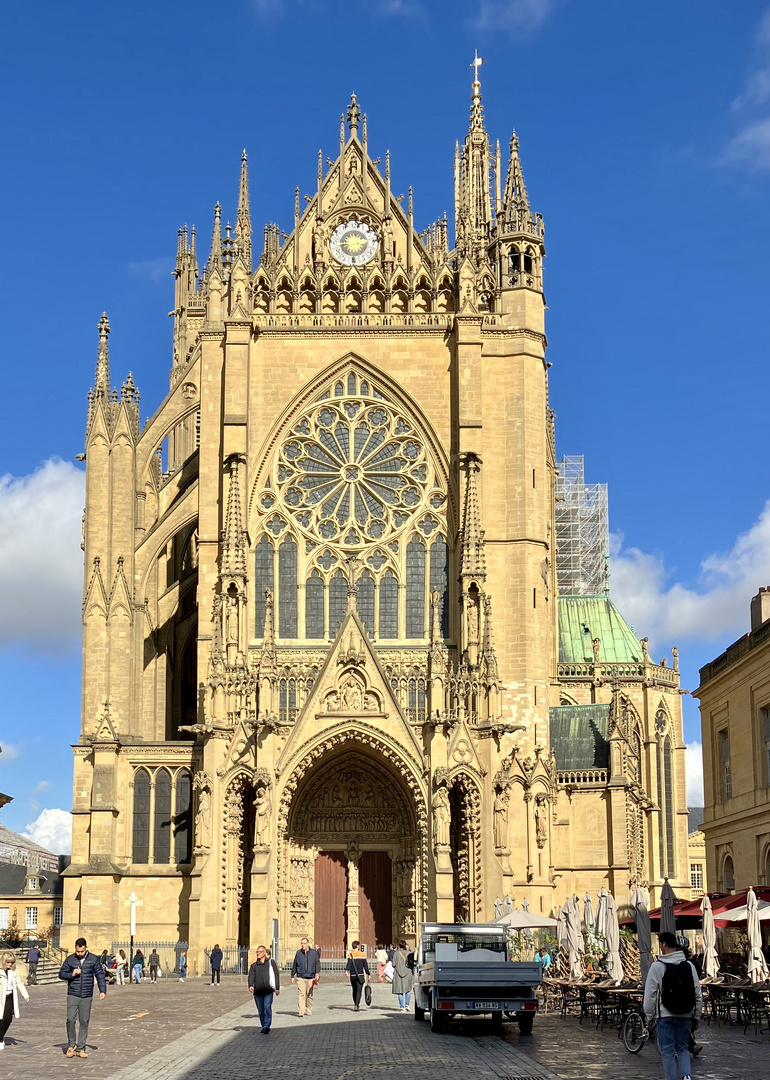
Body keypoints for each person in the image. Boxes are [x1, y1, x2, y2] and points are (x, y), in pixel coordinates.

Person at [643, 930, 703, 1080]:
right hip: (685, 1014)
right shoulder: (689, 966)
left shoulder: (657, 967)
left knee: (668, 1051)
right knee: (682, 1048)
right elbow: (697, 992)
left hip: (664, 1015)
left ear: (663, 945)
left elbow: (650, 995)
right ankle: (686, 1077)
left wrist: (649, 1016)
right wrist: (697, 1016)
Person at [58, 937, 107, 1060]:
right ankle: (71, 1045)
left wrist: (102, 990)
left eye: (82, 951)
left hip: (86, 995)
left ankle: (81, 1048)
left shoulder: (93, 959)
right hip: (73, 994)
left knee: (84, 1021)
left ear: (86, 948)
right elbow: (61, 974)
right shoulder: (70, 959)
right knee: (70, 1019)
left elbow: (100, 974)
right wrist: (71, 974)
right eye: (78, 951)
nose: (79, 953)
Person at [248, 944, 281, 1034]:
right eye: (257, 952)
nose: (258, 953)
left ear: (264, 953)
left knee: (267, 1007)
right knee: (261, 1010)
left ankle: (267, 1025)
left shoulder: (271, 963)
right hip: (258, 992)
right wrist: (250, 985)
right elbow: (251, 976)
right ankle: (263, 1025)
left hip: (268, 990)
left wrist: (277, 987)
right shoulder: (254, 966)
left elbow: (276, 974)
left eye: (260, 952)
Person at [0, 952, 29, 1049]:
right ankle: (0, 1040)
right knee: (0, 1019)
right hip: (0, 997)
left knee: (8, 1019)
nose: (10, 964)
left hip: (9, 997)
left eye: (11, 963)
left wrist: (25, 995)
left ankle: (1, 1036)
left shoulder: (13, 972)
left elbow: (19, 983)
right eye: (8, 962)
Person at [290, 937, 320, 1017]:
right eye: (302, 943)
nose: (303, 945)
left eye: (304, 943)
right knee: (301, 993)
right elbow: (295, 964)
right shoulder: (298, 953)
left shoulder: (313, 953)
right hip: (301, 976)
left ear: (308, 943)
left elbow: (317, 963)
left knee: (309, 994)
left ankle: (309, 1008)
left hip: (310, 976)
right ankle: (301, 1010)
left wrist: (317, 973)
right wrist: (292, 975)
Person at [345, 941, 370, 1011]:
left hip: (353, 975)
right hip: (360, 975)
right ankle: (357, 1004)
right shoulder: (362, 954)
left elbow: (349, 964)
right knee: (359, 991)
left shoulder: (350, 955)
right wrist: (368, 974)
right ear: (358, 946)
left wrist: (346, 971)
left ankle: (355, 1003)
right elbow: (365, 965)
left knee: (354, 990)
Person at [391, 940, 412, 1012]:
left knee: (400, 991)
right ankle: (407, 1005)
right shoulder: (409, 953)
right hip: (408, 973)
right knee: (408, 990)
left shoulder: (396, 954)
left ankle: (401, 1007)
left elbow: (393, 964)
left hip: (398, 973)